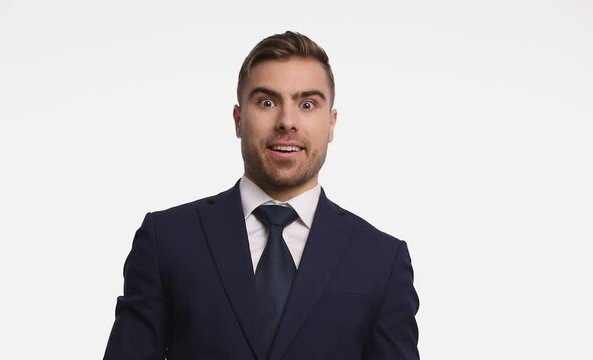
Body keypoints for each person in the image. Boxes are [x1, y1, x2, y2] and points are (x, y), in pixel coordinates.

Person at [104, 31, 419, 360]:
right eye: (267, 102)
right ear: (239, 120)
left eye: (307, 104)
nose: (287, 122)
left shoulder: (382, 259)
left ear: (331, 124)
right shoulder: (167, 239)